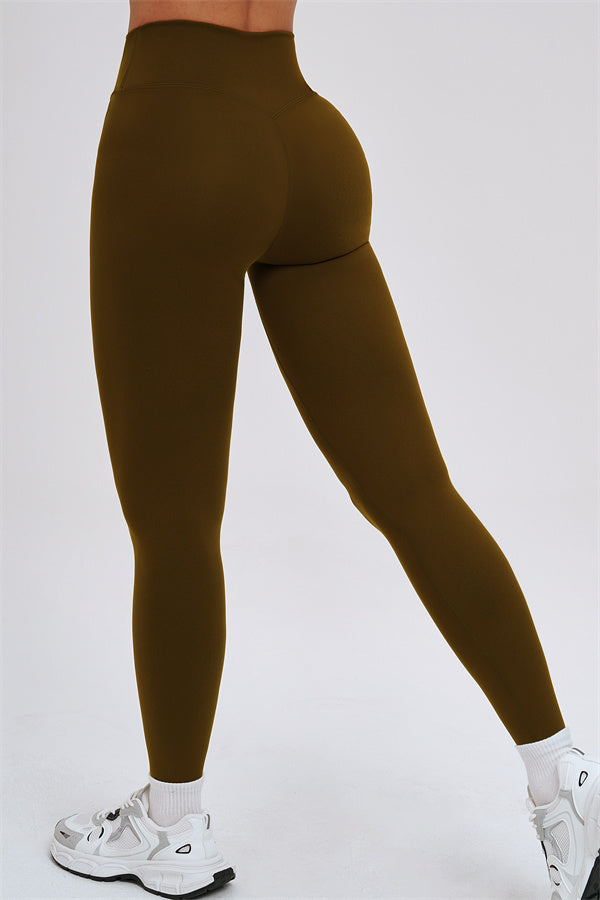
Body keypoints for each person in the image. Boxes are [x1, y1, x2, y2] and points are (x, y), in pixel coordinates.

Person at [49, 1, 599, 897]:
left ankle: (172, 825)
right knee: (418, 493)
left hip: (176, 133)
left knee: (174, 519)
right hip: (308, 137)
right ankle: (562, 775)